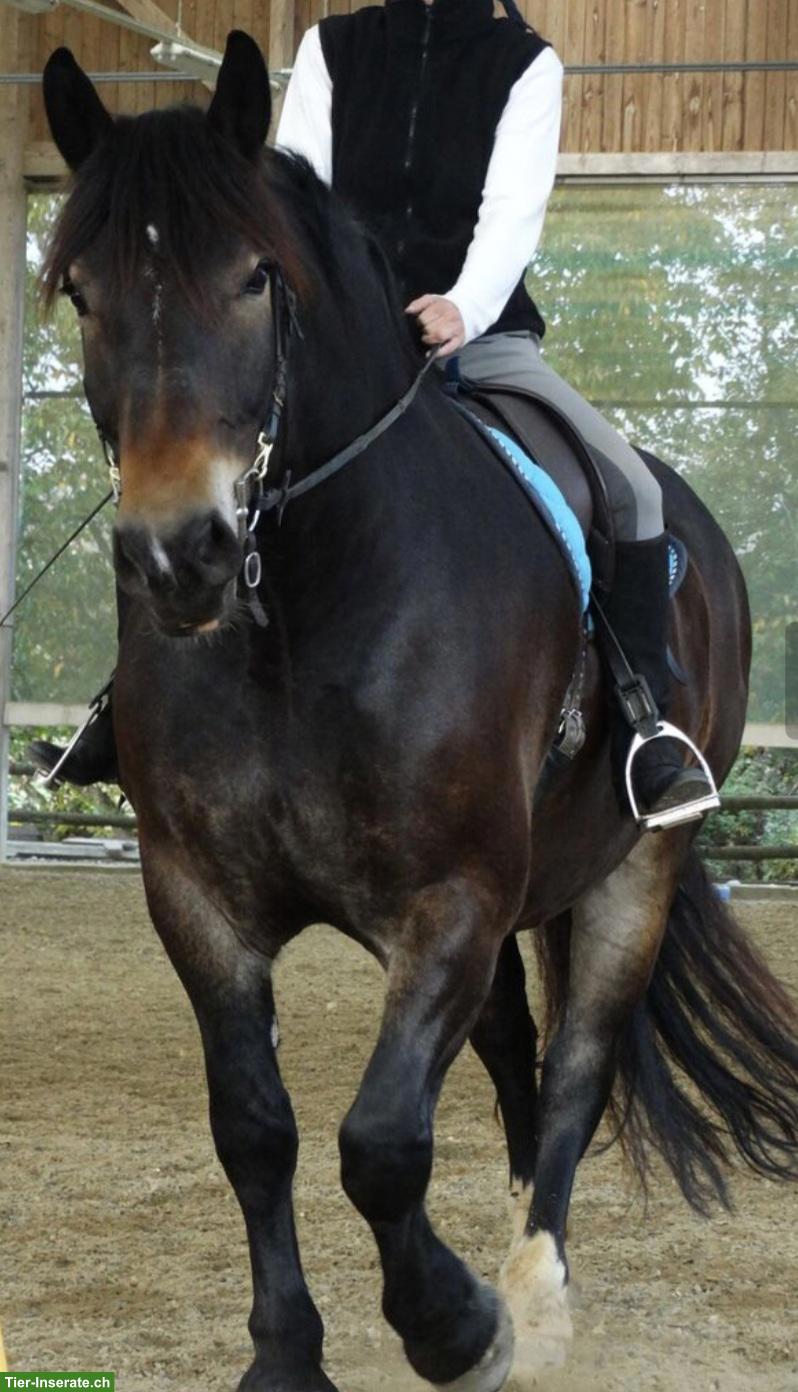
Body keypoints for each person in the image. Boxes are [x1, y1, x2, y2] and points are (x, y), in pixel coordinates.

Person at [33, 0, 715, 828]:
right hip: (338, 349)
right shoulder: (333, 47)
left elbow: (512, 213)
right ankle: (124, 706)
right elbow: (288, 193)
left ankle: (647, 729)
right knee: (181, 484)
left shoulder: (524, 62)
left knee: (633, 493)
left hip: (476, 343)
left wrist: (464, 306)